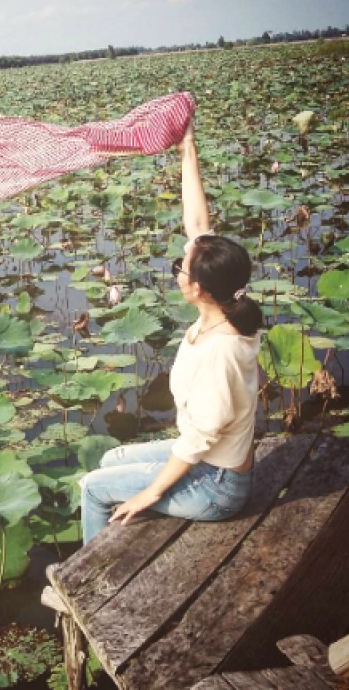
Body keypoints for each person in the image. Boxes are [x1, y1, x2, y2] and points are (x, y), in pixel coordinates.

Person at [77, 120, 264, 544]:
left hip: (218, 486)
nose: (176, 267)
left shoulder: (222, 350)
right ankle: (115, 542)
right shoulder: (225, 305)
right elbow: (197, 222)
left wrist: (151, 492)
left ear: (197, 289)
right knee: (111, 457)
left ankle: (89, 570)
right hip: (211, 463)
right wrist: (187, 146)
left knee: (93, 486)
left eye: (180, 267)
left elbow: (200, 437)